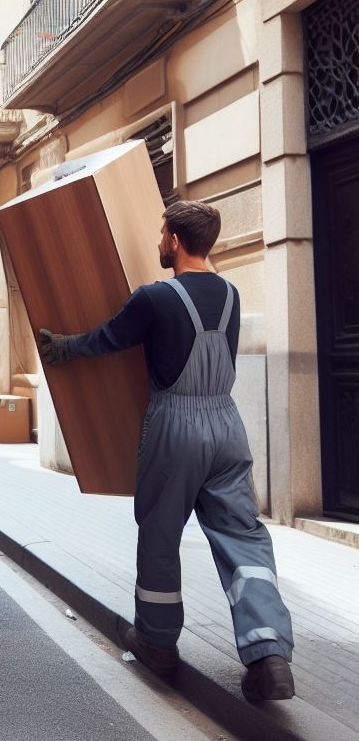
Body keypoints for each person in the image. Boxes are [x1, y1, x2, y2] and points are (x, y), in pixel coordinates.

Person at [38, 200, 294, 702]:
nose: (159, 242)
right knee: (244, 540)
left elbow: (110, 337)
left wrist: (64, 348)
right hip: (227, 423)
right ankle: (270, 655)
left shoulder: (154, 297)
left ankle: (156, 643)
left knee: (159, 533)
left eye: (161, 235)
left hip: (176, 425)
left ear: (175, 240)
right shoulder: (231, 295)